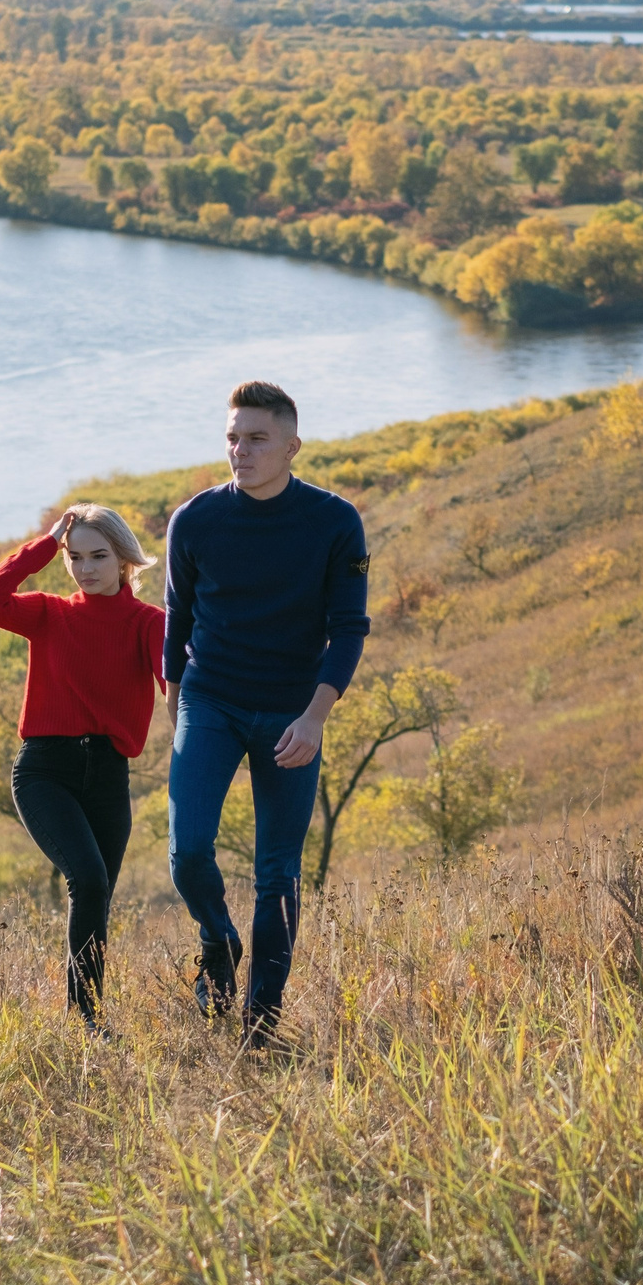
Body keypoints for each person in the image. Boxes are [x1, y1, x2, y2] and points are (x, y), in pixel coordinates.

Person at [164, 379, 370, 1045]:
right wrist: (175, 705)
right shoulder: (195, 520)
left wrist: (315, 717)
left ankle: (261, 1024)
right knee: (187, 851)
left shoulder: (334, 521)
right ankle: (218, 939)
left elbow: (349, 628)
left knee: (277, 873)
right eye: (232, 438)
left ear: (291, 446)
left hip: (291, 711)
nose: (240, 451)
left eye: (256, 439)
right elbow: (177, 617)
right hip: (211, 700)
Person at [0, 503, 166, 1033]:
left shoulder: (149, 623)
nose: (85, 569)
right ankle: (85, 1021)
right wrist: (43, 543)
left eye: (98, 556)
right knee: (89, 879)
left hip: (109, 777)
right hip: (45, 771)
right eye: (74, 557)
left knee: (97, 895)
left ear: (123, 559)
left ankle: (90, 1019)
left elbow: (176, 682)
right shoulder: (48, 613)